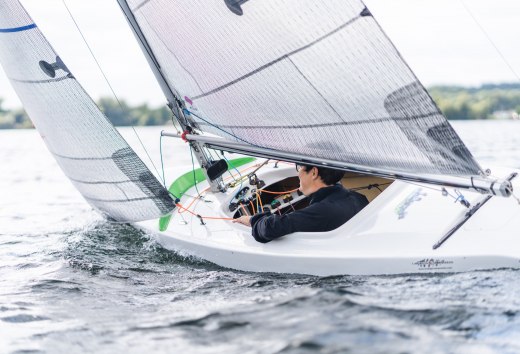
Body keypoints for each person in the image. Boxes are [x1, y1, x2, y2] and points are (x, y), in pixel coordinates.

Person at [233, 164, 369, 243]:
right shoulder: (360, 199)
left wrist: (252, 220)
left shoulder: (321, 211)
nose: (298, 173)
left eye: (300, 167)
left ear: (314, 172)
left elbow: (270, 228)